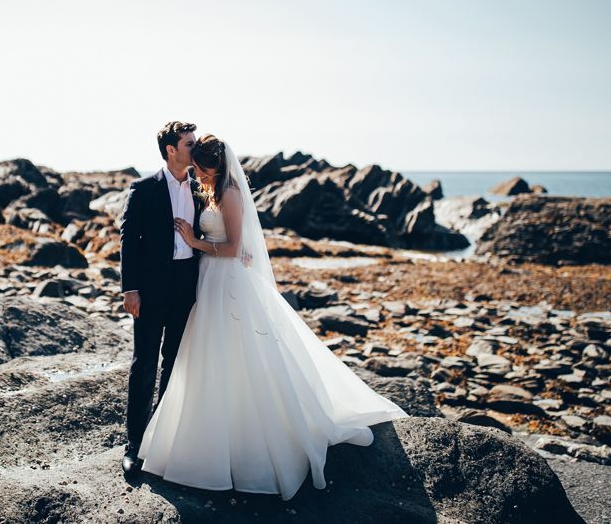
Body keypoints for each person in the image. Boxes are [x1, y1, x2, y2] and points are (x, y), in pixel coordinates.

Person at [137, 134, 408, 499]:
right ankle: (205, 434)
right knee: (208, 356)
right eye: (197, 169)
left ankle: (246, 442)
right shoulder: (208, 188)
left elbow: (233, 247)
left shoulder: (230, 192)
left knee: (239, 352)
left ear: (216, 166)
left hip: (227, 280)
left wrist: (194, 241)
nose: (197, 175)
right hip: (207, 280)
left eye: (202, 169)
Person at [119, 121, 205, 476]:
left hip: (187, 285)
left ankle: (162, 437)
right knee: (144, 363)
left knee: (174, 362)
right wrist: (130, 289)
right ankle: (134, 445)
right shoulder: (144, 188)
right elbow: (128, 239)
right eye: (189, 144)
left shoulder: (201, 189)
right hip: (151, 288)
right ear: (171, 150)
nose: (195, 150)